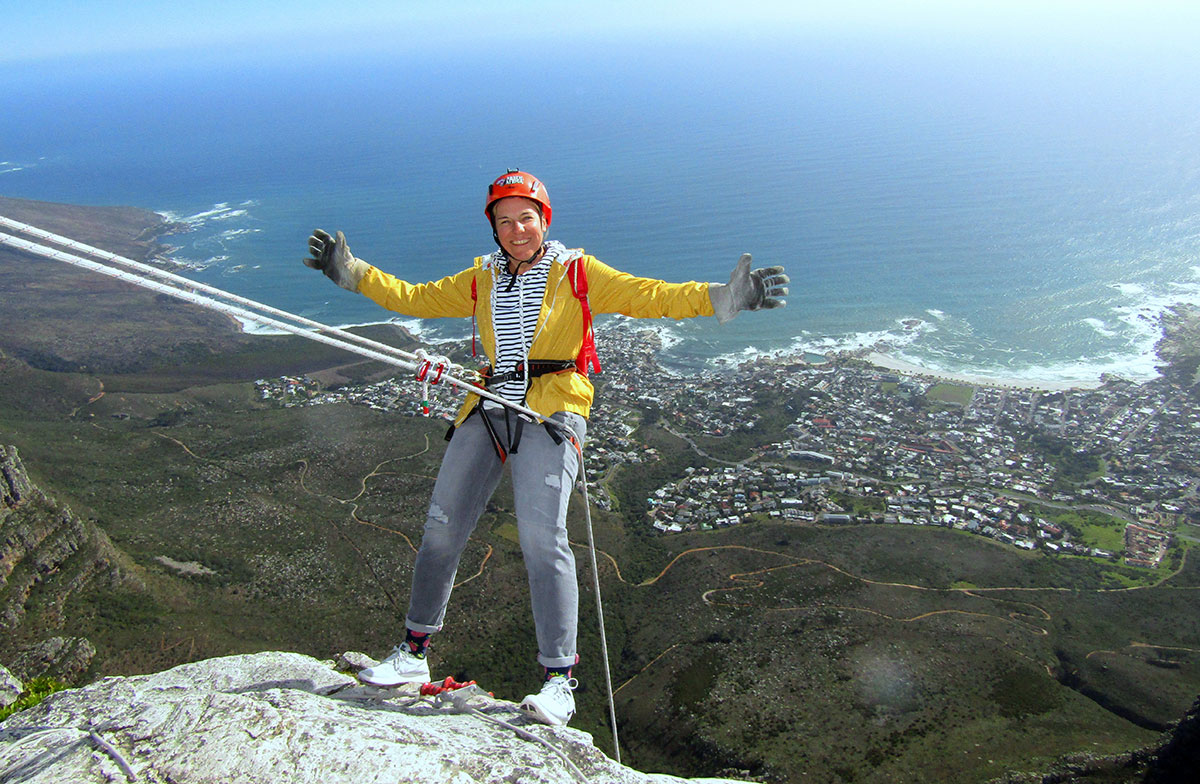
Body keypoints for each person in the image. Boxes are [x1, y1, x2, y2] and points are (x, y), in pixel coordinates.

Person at [303, 169, 788, 725]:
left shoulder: (578, 272)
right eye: (505, 221)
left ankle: (559, 682)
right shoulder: (481, 278)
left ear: (544, 221)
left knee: (542, 539)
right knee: (441, 527)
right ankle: (413, 653)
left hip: (553, 409)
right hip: (488, 403)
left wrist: (726, 297)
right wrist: (352, 272)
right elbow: (413, 297)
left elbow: (648, 295)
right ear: (494, 228)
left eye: (526, 219)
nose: (517, 230)